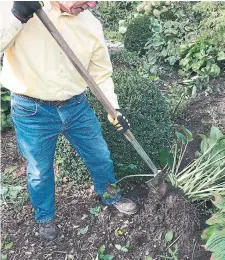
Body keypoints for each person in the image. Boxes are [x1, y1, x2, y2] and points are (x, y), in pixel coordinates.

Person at [0, 1, 138, 241]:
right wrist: (17, 16)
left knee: (99, 156)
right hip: (32, 111)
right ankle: (45, 217)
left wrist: (114, 108)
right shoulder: (19, 7)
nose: (92, 4)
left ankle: (110, 195)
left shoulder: (91, 25)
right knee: (39, 171)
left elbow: (100, 74)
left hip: (76, 106)